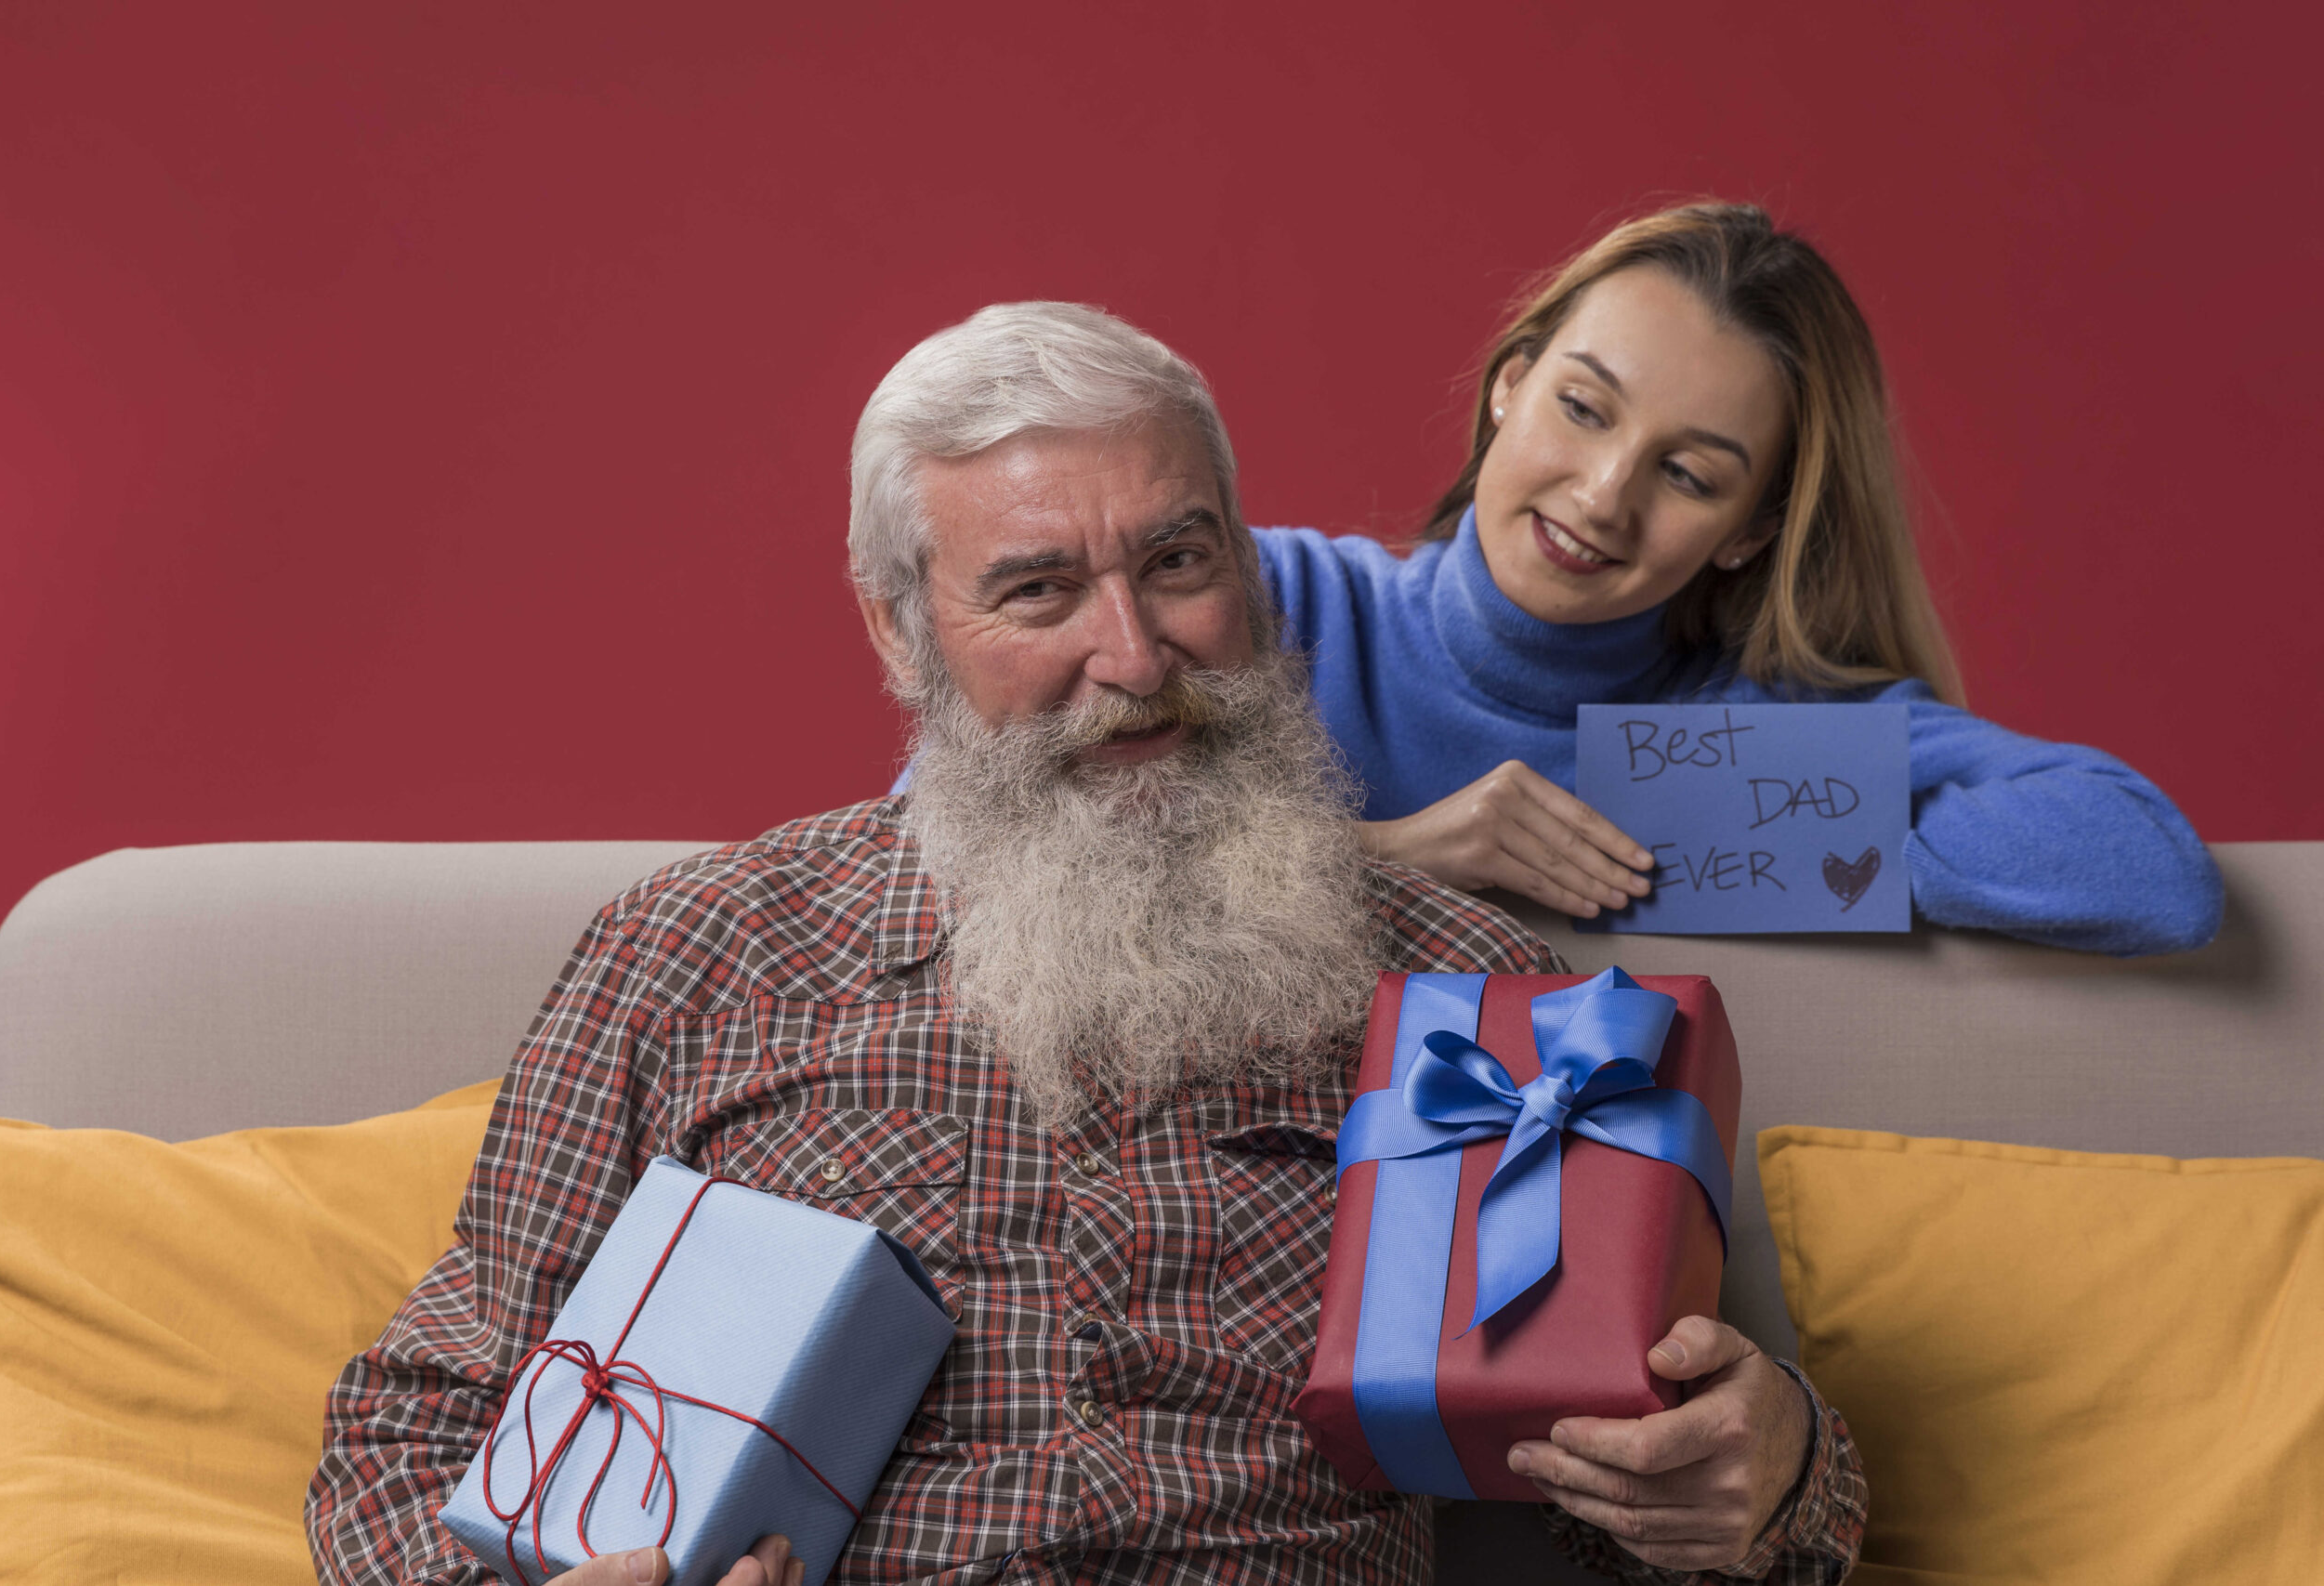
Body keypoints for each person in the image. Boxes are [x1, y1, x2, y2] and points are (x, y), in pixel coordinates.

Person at [308, 303, 1867, 1585]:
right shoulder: (693, 954)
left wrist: (1773, 1468)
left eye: (1179, 565)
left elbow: (1682, 1477)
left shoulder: (1485, 995)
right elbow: (406, 1437)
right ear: (895, 625)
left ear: (1246, 567)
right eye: (1039, 590)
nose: (1135, 657)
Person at [1254, 203, 2222, 956]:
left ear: (1749, 532)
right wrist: (1390, 858)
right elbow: (1098, 863)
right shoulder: (1275, 603)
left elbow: (2150, 870)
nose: (1602, 498)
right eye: (1583, 408)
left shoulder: (1754, 734)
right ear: (1511, 384)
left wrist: (1709, 821)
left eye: (1687, 475)